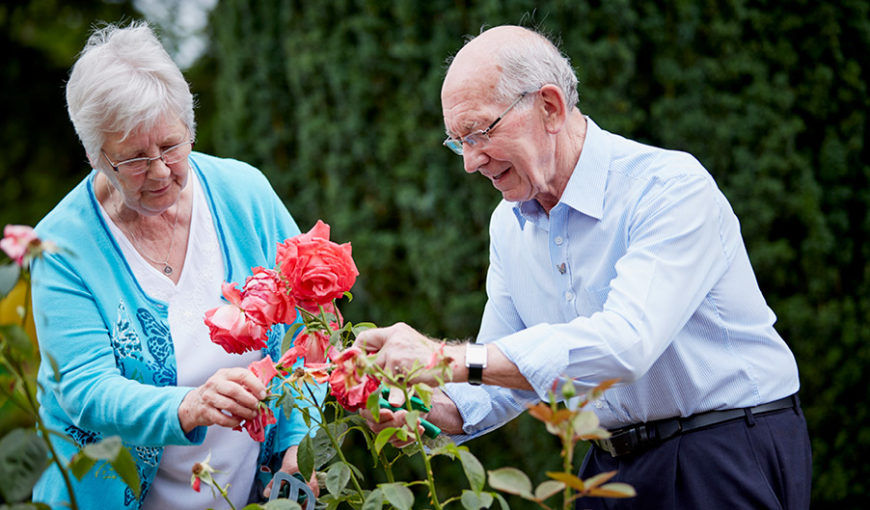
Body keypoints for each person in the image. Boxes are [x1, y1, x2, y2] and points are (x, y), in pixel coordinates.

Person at [354, 25, 812, 509]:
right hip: (606, 467)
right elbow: (495, 374)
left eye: (480, 132)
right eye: (458, 142)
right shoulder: (508, 225)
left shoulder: (668, 187)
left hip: (720, 450)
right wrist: (416, 409)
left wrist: (440, 358)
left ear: (549, 107)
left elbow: (626, 343)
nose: (470, 162)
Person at [30, 22, 317, 509]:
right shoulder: (61, 247)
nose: (162, 171)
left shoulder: (244, 194)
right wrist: (190, 405)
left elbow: (311, 325)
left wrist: (299, 446)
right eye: (136, 159)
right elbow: (86, 390)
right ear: (95, 156)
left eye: (171, 146)